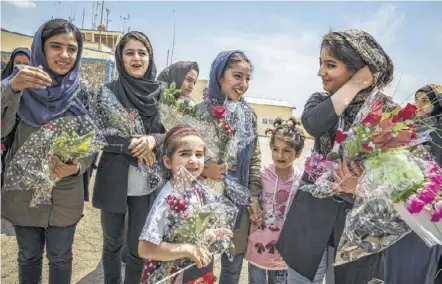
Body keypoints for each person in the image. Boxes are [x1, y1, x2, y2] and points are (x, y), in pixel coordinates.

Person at [277, 29, 394, 284]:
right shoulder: (321, 101)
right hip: (310, 223)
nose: (320, 72)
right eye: (321, 63)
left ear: (359, 68)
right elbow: (313, 124)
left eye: (330, 65)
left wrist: (364, 186)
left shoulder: (388, 115)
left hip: (356, 231)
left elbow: (403, 181)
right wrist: (354, 85)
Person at [1, 19, 94, 284]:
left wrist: (77, 167)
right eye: (56, 46)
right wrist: (12, 88)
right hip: (24, 189)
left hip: (65, 191)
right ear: (40, 48)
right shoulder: (19, 84)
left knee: (61, 257)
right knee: (28, 256)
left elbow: (92, 143)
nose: (65, 55)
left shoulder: (82, 93)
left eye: (72, 49)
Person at [92, 31, 166, 284]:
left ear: (150, 58)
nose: (136, 58)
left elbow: (174, 133)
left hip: (147, 185)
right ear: (120, 57)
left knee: (138, 248)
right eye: (130, 52)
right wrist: (132, 144)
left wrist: (154, 140)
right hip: (114, 179)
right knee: (112, 244)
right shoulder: (109, 92)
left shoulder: (161, 94)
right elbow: (97, 134)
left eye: (142, 53)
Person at [196, 50, 262, 284]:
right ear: (219, 76)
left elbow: (254, 159)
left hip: (238, 204)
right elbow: (180, 157)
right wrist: (205, 170)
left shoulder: (249, 115)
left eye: (247, 78)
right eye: (237, 76)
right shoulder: (200, 112)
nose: (242, 84)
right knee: (200, 263)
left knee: (233, 267)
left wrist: (253, 195)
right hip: (203, 200)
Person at [138, 125, 232, 284]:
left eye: (199, 154)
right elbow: (145, 248)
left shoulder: (199, 190)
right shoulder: (167, 199)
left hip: (193, 274)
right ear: (168, 161)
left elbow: (189, 232)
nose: (193, 159)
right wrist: (187, 249)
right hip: (170, 276)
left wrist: (209, 234)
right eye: (185, 154)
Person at [382, 84, 442, 284]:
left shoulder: (439, 134)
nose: (418, 105)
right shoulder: (406, 130)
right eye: (417, 99)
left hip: (427, 213)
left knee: (419, 267)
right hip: (399, 212)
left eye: (425, 100)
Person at [245, 121, 305, 284]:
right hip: (258, 247)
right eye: (275, 149)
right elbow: (251, 196)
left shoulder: (301, 181)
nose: (280, 155)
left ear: (298, 153)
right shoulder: (262, 175)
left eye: (287, 151)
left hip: (284, 254)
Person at [1, 47, 31, 186]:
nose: (21, 67)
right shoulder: (3, 84)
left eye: (26, 63)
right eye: (18, 62)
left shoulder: (37, 90)